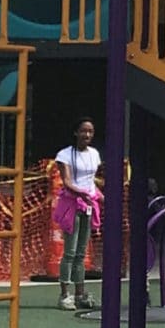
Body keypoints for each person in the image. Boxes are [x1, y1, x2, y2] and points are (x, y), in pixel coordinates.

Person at [52, 119, 101, 313]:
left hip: (89, 205)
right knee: (70, 252)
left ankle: (80, 293)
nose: (87, 135)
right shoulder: (65, 155)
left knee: (82, 252)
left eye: (90, 132)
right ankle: (65, 294)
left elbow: (91, 182)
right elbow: (67, 182)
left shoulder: (95, 154)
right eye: (83, 131)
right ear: (76, 132)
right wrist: (84, 195)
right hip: (72, 205)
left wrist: (101, 198)